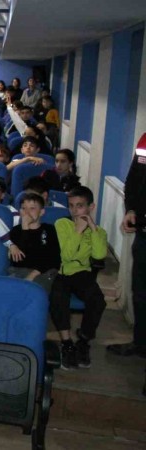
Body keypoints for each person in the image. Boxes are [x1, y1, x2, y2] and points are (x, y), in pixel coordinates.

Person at [51, 186, 108, 370]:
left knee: (97, 300)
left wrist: (93, 230)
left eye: (80, 205)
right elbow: (66, 256)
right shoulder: (62, 224)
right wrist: (77, 231)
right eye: (71, 205)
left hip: (82, 273)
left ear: (91, 207)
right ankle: (67, 343)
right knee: (58, 297)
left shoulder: (99, 231)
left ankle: (83, 340)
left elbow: (99, 255)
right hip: (62, 272)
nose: (75, 210)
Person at [109, 136, 146, 358]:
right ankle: (141, 344)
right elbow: (134, 180)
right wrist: (131, 209)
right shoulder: (145, 142)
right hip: (144, 233)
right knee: (140, 293)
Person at [7, 193, 61, 293]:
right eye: (23, 208)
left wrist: (32, 275)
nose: (27, 212)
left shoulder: (49, 230)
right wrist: (25, 229)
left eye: (32, 208)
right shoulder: (15, 231)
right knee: (9, 292)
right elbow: (18, 260)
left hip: (43, 272)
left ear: (41, 212)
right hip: (18, 271)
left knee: (34, 291)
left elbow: (54, 259)